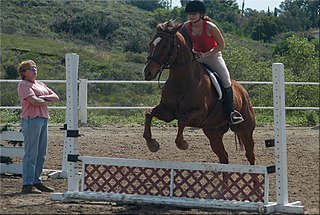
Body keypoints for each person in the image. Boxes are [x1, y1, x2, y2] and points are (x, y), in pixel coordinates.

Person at [181, 0, 244, 125]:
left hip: (213, 57)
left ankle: (230, 112)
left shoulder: (210, 27)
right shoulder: (186, 26)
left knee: (226, 81)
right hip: (196, 58)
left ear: (201, 14)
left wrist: (207, 54)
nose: (191, 16)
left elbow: (221, 45)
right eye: (189, 14)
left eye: (194, 13)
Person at [17, 60, 60, 194]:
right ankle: (27, 183)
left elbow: (56, 97)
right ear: (24, 72)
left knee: (41, 152)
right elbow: (34, 101)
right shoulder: (23, 85)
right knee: (31, 152)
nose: (35, 69)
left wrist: (42, 98)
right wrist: (45, 99)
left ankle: (36, 180)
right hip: (32, 119)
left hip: (43, 118)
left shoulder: (39, 84)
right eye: (31, 68)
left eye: (35, 67)